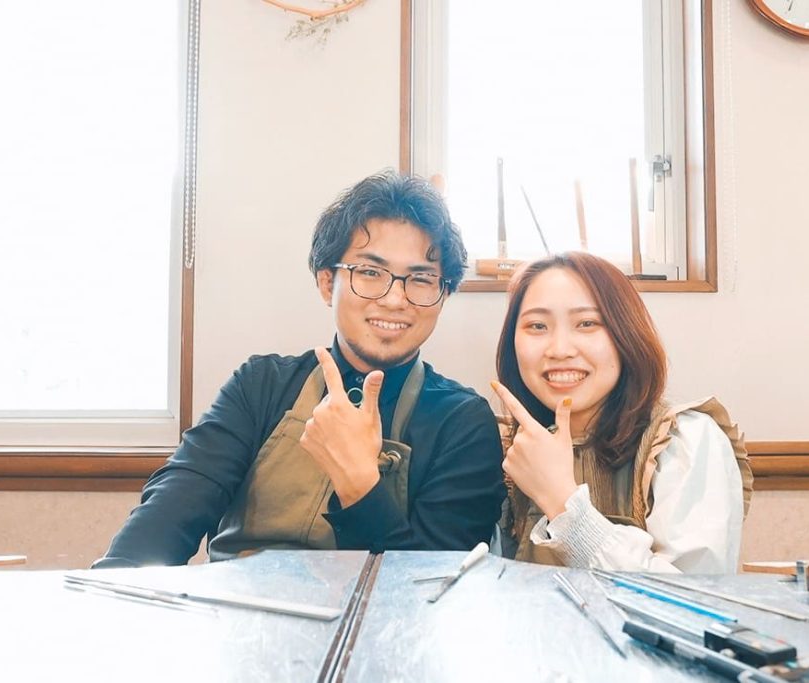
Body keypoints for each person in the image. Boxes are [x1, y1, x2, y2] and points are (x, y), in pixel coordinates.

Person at [95, 171, 505, 568]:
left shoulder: (462, 421)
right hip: (241, 610)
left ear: (443, 295)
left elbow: (435, 586)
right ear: (327, 283)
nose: (395, 299)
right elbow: (172, 509)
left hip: (381, 616)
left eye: (421, 279)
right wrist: (115, 586)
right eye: (369, 272)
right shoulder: (260, 385)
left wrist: (360, 484)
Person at [491, 252, 753, 573]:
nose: (559, 350)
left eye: (587, 324)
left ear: (626, 333)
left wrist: (562, 503)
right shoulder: (516, 449)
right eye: (537, 326)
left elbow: (691, 595)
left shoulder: (685, 439)